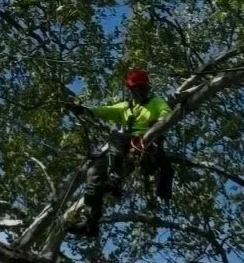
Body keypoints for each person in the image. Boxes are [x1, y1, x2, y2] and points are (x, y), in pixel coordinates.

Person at [66, 68, 174, 236]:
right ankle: (90, 221)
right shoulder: (125, 107)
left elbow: (166, 115)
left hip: (144, 144)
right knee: (93, 174)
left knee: (116, 136)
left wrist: (157, 125)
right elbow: (102, 110)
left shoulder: (156, 102)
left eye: (142, 87)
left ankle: (114, 179)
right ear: (131, 90)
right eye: (136, 88)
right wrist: (81, 109)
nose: (140, 91)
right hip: (122, 148)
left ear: (147, 87)